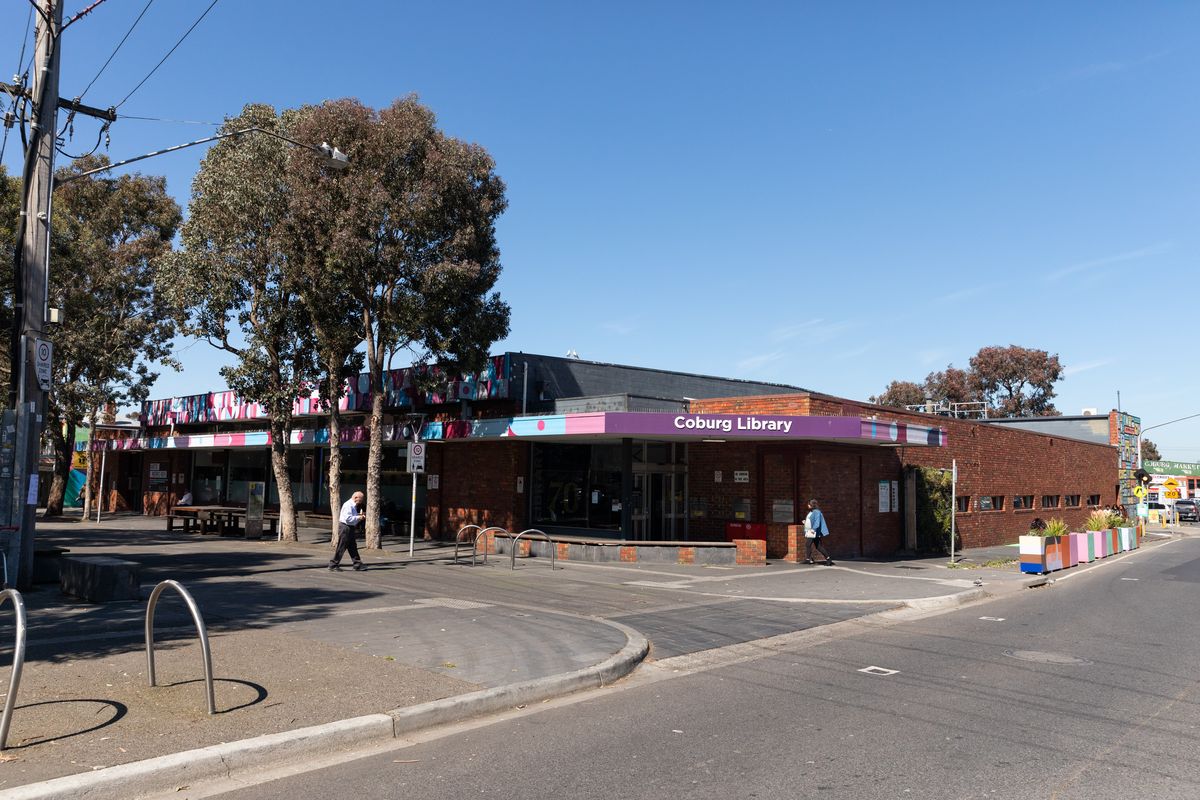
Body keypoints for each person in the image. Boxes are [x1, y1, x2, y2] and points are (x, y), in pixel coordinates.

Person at [329, 491, 367, 571]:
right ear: (356, 498)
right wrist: (358, 518)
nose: (362, 501)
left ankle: (357, 564)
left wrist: (359, 516)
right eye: (361, 499)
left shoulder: (353, 505)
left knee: (352, 546)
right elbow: (347, 519)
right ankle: (333, 564)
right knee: (342, 546)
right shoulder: (348, 505)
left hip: (350, 527)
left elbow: (351, 517)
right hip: (345, 527)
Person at [803, 499, 833, 565]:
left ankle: (808, 559)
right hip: (811, 531)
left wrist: (813, 529)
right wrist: (805, 522)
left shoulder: (817, 512)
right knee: (818, 546)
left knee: (808, 544)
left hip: (813, 531)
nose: (807, 505)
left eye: (808, 504)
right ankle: (828, 559)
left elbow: (817, 522)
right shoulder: (812, 512)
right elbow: (811, 521)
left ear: (812, 505)